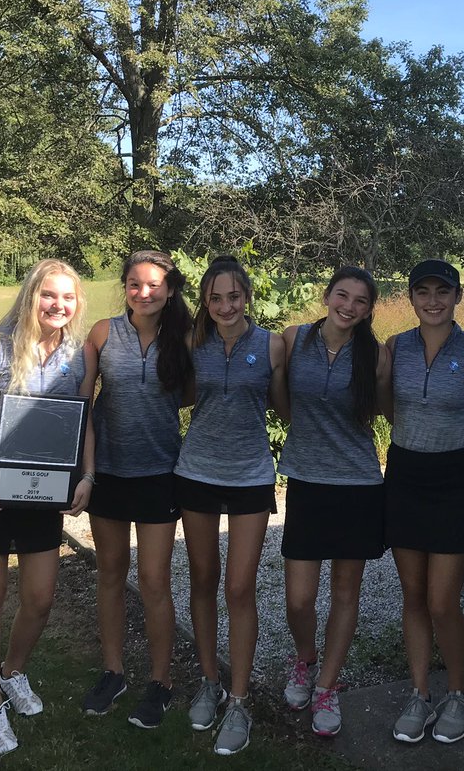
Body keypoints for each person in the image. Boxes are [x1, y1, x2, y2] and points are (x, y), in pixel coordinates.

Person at [0, 259, 97, 755]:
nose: (58, 305)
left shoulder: (78, 354)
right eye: (48, 295)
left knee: (39, 598)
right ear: (31, 296)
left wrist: (87, 476)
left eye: (68, 297)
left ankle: (12, 671)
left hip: (46, 488)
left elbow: (83, 419)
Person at [174, 256, 288, 755]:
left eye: (234, 296)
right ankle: (210, 681)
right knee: (203, 578)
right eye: (216, 298)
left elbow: (284, 404)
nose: (226, 306)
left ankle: (239, 700)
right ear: (205, 301)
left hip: (250, 475)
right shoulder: (192, 344)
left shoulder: (271, 344)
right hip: (196, 471)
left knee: (239, 587)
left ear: (247, 296)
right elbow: (180, 397)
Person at [278, 266, 392, 738]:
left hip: (358, 484)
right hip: (307, 481)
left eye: (360, 301)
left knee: (346, 593)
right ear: (327, 296)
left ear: (369, 310)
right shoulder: (293, 340)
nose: (349, 306)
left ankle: (327, 685)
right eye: (342, 295)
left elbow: (385, 410)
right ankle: (305, 659)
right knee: (299, 598)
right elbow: (281, 401)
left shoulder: (376, 355)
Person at [81, 250, 193, 729]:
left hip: (159, 473)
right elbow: (83, 406)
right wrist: (86, 473)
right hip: (108, 472)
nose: (143, 293)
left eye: (153, 285)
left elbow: (192, 396)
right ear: (124, 287)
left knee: (153, 581)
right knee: (110, 574)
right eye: (134, 284)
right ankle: (114, 672)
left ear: (170, 289)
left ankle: (161, 682)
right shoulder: (103, 333)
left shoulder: (186, 337)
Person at [380, 260, 464, 746]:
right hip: (405, 474)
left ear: (458, 296)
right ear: (411, 297)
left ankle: (457, 693)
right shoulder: (395, 346)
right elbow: (387, 406)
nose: (432, 301)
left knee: (443, 601)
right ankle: (420, 693)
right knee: (414, 595)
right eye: (422, 291)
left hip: (453, 479)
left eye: (442, 291)